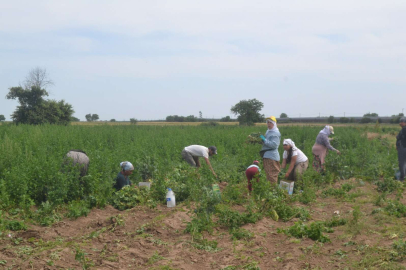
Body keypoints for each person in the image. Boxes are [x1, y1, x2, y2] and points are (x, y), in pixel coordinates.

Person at [259, 116, 281, 184]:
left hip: (271, 156)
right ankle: (271, 190)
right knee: (269, 174)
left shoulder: (275, 133)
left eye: (270, 122)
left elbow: (274, 145)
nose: (268, 124)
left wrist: (264, 140)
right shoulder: (268, 131)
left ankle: (273, 190)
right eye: (267, 122)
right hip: (267, 155)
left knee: (272, 174)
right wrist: (261, 140)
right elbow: (267, 142)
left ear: (274, 124)